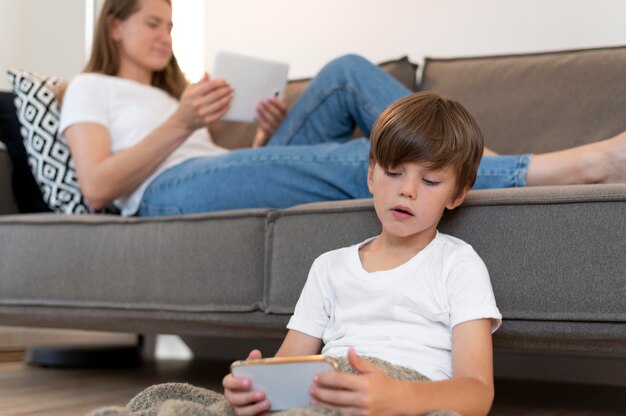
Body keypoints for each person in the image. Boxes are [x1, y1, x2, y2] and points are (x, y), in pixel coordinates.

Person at [59, 0, 626, 217]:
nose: (165, 36)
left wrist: (262, 141)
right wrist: (184, 121)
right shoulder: (90, 87)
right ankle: (565, 167)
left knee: (345, 74)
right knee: (374, 158)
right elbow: (98, 187)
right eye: (152, 23)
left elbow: (242, 174)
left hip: (211, 173)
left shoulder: (165, 93)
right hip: (163, 192)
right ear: (114, 25)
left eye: (171, 25)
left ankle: (476, 161)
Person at [222, 92, 501, 416]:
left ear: (457, 194)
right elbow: (288, 365)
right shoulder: (329, 267)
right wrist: (254, 389)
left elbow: (478, 392)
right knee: (174, 401)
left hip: (410, 394)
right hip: (330, 391)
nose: (407, 190)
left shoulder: (457, 264)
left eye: (429, 180)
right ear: (371, 175)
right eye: (394, 173)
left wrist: (398, 396)